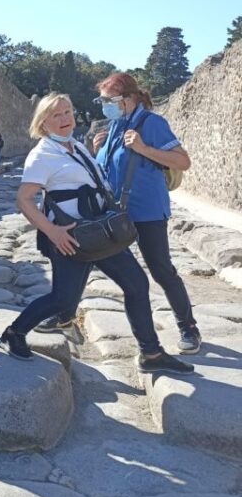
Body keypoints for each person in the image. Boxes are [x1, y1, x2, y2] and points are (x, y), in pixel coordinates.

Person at [0, 92, 193, 375]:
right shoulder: (41, 155)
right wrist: (53, 232)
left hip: (99, 232)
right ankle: (14, 333)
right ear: (43, 123)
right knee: (63, 300)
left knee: (137, 284)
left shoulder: (75, 146)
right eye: (57, 115)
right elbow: (24, 199)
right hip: (71, 236)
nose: (65, 119)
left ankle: (151, 352)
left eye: (68, 112)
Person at [37, 74, 201, 355]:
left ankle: (188, 327)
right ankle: (65, 314)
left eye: (108, 100)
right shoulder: (116, 125)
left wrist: (143, 148)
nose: (104, 105)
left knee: (161, 269)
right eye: (101, 100)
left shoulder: (151, 123)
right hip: (113, 213)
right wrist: (97, 151)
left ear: (128, 99)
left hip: (147, 211)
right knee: (86, 256)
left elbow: (182, 161)